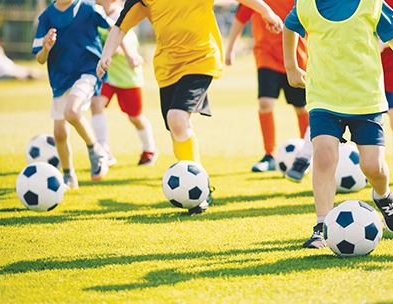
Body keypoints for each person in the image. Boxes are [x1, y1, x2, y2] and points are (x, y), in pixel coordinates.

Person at [97, 0, 283, 214]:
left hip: (201, 58)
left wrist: (266, 11)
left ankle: (200, 188)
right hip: (167, 69)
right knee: (176, 127)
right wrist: (106, 54)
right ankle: (197, 179)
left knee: (176, 118)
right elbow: (120, 26)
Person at [283, 0, 393, 248]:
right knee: (325, 157)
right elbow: (289, 27)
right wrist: (291, 67)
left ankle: (383, 196)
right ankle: (321, 226)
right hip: (324, 97)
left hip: (365, 99)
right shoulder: (306, 5)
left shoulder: (371, 3)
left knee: (373, 168)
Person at [32, 0, 112, 190]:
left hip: (88, 71)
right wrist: (46, 47)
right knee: (59, 133)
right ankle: (69, 176)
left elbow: (115, 29)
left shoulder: (89, 8)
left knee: (72, 111)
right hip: (60, 79)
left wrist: (115, 52)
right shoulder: (46, 17)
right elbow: (40, 59)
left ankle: (96, 151)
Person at [225, 2, 309, 173]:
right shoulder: (258, 2)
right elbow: (240, 17)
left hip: (297, 57)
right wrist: (230, 50)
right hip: (267, 56)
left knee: (301, 107)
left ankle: (308, 153)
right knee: (265, 103)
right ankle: (270, 155)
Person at [91, 0, 159, 167]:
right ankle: (104, 150)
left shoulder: (120, 15)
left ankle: (149, 148)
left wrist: (98, 56)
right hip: (107, 74)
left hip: (128, 76)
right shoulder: (96, 12)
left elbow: (119, 48)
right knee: (96, 104)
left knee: (135, 116)